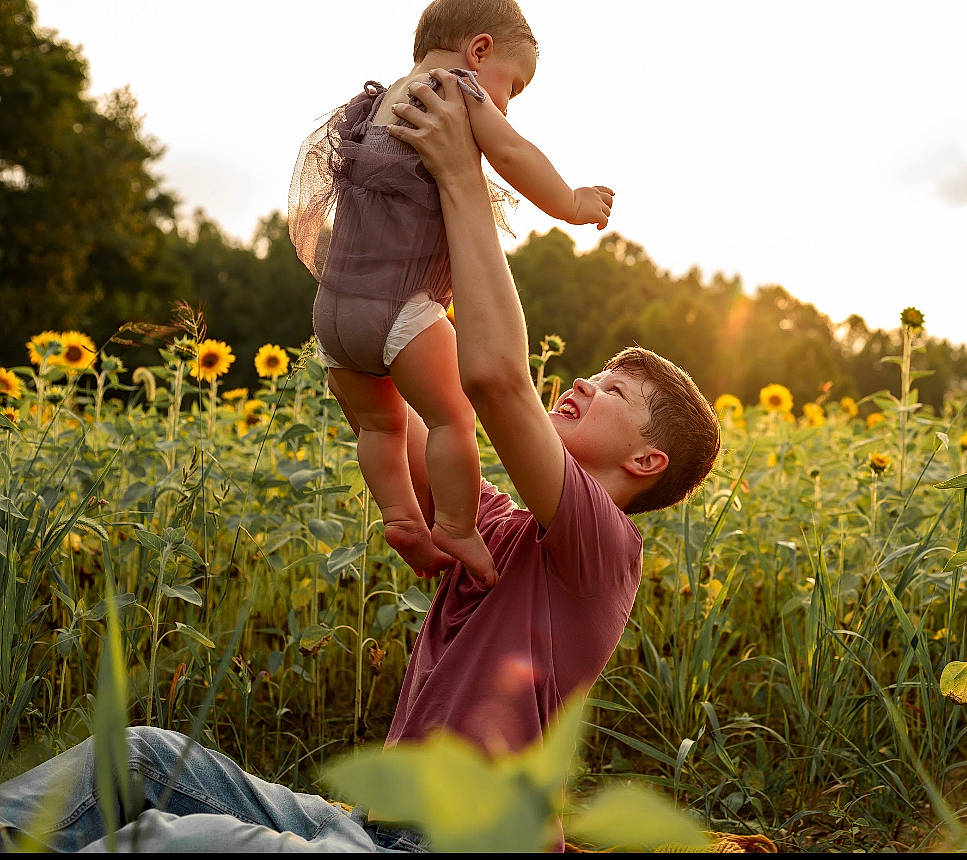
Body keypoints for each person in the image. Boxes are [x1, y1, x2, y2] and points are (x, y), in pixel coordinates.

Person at [0, 29, 721, 855]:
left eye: (614, 394)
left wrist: (461, 176)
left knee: (178, 837)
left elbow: (493, 379)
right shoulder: (490, 527)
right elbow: (388, 415)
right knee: (140, 757)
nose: (583, 385)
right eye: (593, 374)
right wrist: (372, 266)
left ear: (645, 462)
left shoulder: (601, 549)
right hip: (375, 831)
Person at [289, 0, 615, 584]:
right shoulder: (455, 89)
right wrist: (573, 203)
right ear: (479, 50)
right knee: (453, 418)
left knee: (380, 427)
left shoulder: (374, 102)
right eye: (512, 87)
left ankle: (399, 516)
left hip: (333, 312)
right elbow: (513, 154)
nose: (506, 103)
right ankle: (456, 525)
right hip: (401, 311)